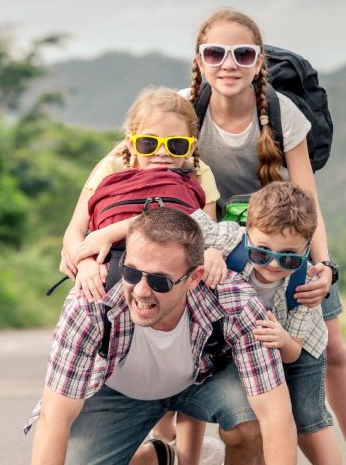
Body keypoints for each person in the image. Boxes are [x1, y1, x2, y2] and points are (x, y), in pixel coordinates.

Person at [183, 7, 346, 465]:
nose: (228, 63)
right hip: (223, 246)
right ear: (199, 60)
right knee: (195, 350)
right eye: (215, 52)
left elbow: (308, 200)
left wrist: (325, 267)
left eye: (242, 53)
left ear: (258, 61)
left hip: (287, 242)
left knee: (331, 347)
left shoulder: (280, 110)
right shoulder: (184, 110)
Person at [26, 207, 296, 465]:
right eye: (131, 273)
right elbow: (54, 420)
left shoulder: (235, 301)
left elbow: (275, 415)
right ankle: (157, 458)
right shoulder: (89, 304)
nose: (141, 291)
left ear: (194, 278)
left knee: (250, 425)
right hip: (119, 394)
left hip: (199, 384)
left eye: (160, 281)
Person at [191, 182, 341, 465]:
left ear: (307, 249)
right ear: (246, 233)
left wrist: (283, 339)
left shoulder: (306, 283)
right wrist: (207, 251)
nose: (273, 264)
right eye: (261, 252)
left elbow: (293, 352)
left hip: (299, 345)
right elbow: (179, 226)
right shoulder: (230, 239)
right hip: (248, 345)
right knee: (261, 415)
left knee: (309, 418)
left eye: (287, 257)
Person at [59, 87, 224, 306]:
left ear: (191, 146)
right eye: (149, 143)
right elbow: (75, 230)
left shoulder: (198, 172)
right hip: (114, 265)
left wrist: (213, 252)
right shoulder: (112, 167)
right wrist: (86, 264)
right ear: (131, 143)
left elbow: (206, 230)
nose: (162, 153)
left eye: (176, 144)